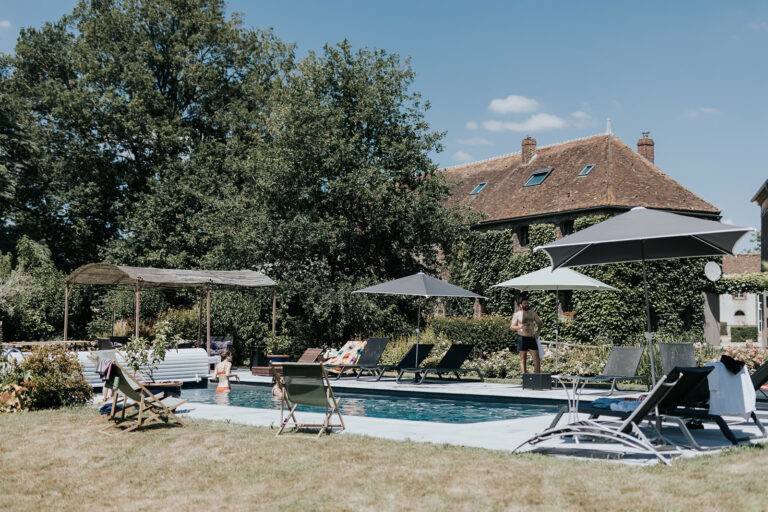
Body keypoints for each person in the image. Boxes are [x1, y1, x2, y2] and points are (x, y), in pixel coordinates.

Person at [510, 295, 543, 374]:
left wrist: (538, 332)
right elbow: (511, 327)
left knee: (536, 358)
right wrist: (520, 327)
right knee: (523, 359)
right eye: (524, 303)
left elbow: (540, 322)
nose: (526, 305)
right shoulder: (517, 314)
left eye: (527, 303)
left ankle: (537, 376)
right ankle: (525, 376)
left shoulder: (532, 313)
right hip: (522, 338)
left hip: (531, 338)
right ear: (520, 305)